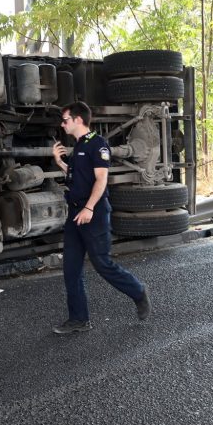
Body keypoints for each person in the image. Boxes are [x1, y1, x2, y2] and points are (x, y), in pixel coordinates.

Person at [50, 101, 150, 334]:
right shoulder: (78, 146)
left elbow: (101, 179)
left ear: (77, 120)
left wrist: (89, 208)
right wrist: (60, 163)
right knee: (71, 269)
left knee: (103, 264)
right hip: (76, 214)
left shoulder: (98, 144)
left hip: (92, 213)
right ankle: (79, 319)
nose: (62, 125)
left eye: (65, 120)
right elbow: (79, 178)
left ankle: (138, 291)